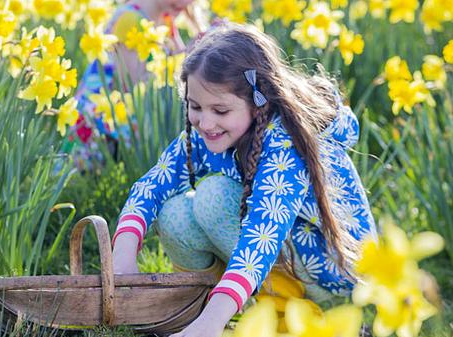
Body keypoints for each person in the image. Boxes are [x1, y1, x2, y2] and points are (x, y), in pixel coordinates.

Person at [111, 22, 377, 337]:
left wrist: (213, 323)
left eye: (220, 110)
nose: (205, 121)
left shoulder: (284, 143)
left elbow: (262, 235)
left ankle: (289, 319)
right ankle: (191, 311)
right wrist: (123, 252)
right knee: (175, 214)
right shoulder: (211, 132)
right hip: (289, 257)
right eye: (195, 107)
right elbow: (153, 184)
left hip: (332, 277)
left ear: (258, 101)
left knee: (213, 197)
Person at [67, 0, 198, 170]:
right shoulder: (129, 20)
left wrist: (197, 49)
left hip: (127, 116)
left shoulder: (166, 20)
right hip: (99, 119)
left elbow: (179, 65)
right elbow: (131, 83)